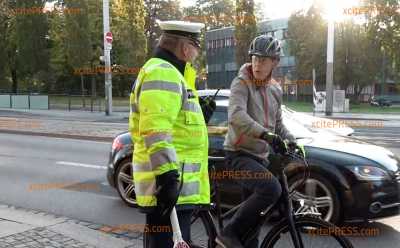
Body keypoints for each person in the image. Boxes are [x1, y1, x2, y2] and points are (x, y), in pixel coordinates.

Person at [128, 20, 213, 248]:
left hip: (175, 191)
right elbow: (155, 129)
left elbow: (174, 126)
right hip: (169, 191)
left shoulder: (171, 73)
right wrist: (167, 178)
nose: (196, 53)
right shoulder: (163, 73)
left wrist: (200, 116)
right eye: (196, 46)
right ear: (185, 47)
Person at [216, 35, 300, 248]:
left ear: (275, 63)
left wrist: (291, 140)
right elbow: (236, 116)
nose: (257, 63)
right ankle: (228, 233)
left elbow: (277, 123)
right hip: (238, 154)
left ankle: (241, 238)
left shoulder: (275, 89)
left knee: (252, 231)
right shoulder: (241, 82)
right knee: (272, 189)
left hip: (259, 158)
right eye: (254, 58)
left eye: (263, 59)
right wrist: (265, 135)